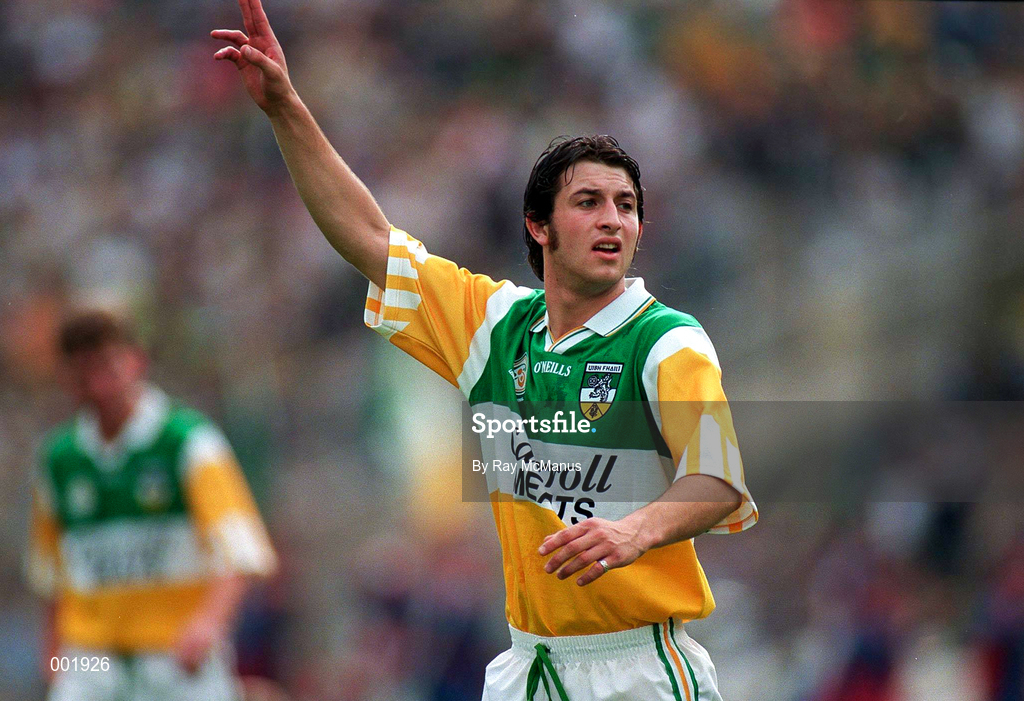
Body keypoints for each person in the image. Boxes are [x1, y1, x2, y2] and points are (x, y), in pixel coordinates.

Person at [212, 1, 757, 698]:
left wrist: (635, 531)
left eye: (626, 205)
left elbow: (718, 482)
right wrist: (286, 108)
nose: (613, 219)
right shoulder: (495, 327)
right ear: (539, 225)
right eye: (588, 201)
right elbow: (371, 240)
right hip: (529, 667)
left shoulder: (667, 342)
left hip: (638, 669)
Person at [26, 310, 278, 701]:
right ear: (66, 378)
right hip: (90, 660)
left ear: (136, 360)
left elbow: (241, 552)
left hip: (174, 653)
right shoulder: (59, 459)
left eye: (107, 367)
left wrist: (207, 625)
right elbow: (51, 573)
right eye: (83, 372)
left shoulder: (189, 442)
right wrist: (52, 655)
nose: (97, 385)